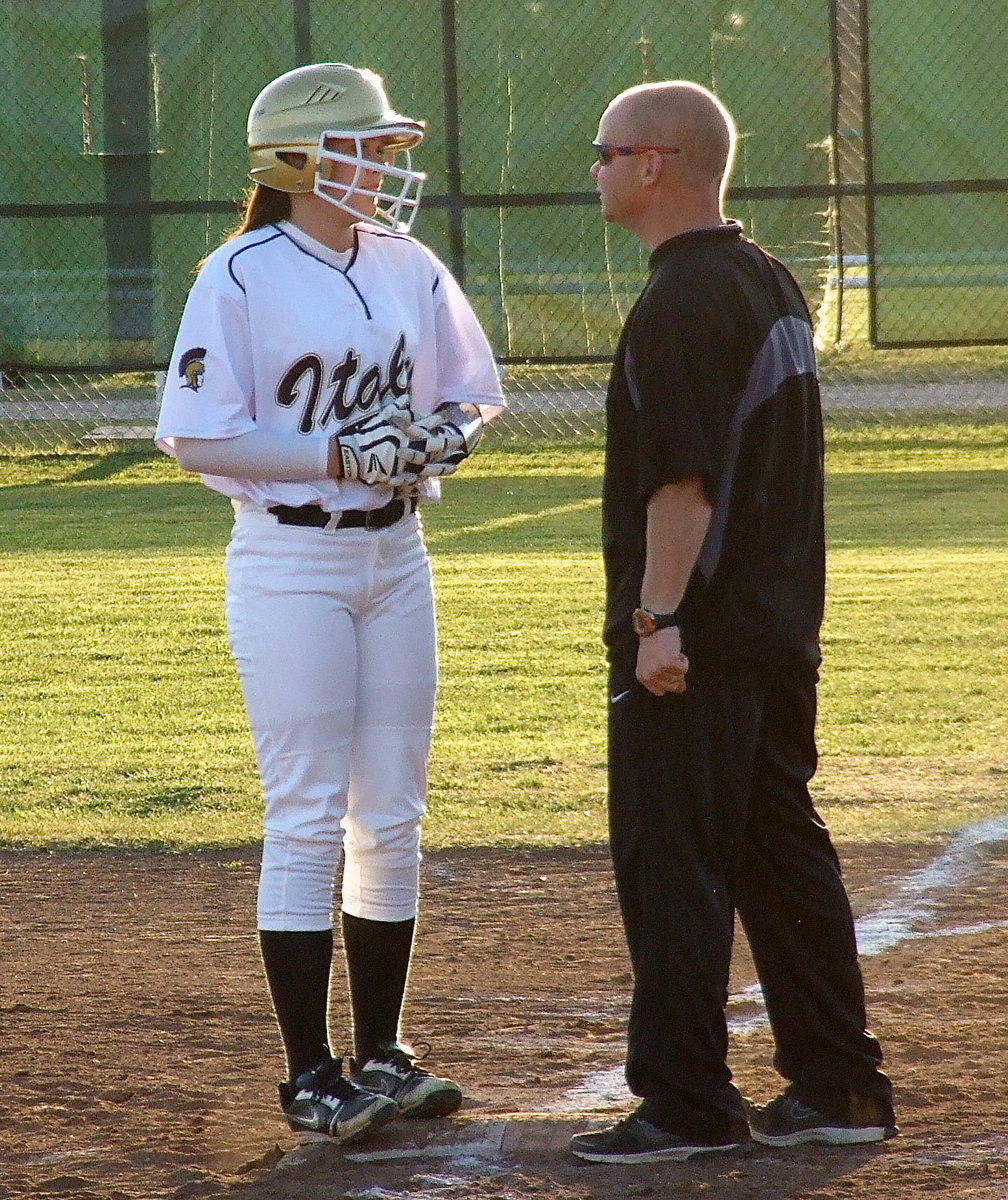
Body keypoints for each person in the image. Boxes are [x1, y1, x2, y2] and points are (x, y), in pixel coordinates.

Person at [155, 62, 504, 1145]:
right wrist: (334, 451)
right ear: (297, 158)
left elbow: (471, 390)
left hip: (398, 555)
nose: (385, 165)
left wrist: (443, 435)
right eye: (364, 147)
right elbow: (194, 433)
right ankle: (309, 1073)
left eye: (385, 147)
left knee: (391, 811)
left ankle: (382, 1054)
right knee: (306, 813)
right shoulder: (243, 271)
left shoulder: (404, 262)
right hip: (292, 559)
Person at [568, 81, 897, 1165]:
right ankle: (837, 1084)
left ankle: (683, 1105)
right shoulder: (764, 277)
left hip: (699, 646)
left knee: (676, 866)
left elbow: (684, 489)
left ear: (655, 164)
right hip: (773, 631)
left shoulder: (682, 299)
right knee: (778, 858)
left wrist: (655, 621)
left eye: (609, 153)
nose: (598, 171)